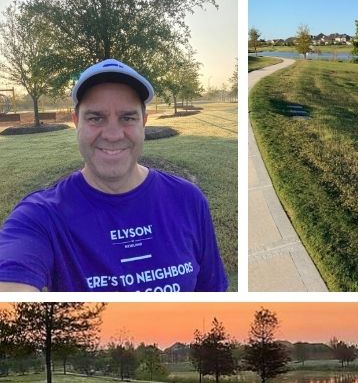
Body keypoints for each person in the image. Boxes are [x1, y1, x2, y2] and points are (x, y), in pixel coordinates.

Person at [0, 59, 228, 292]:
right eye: (96, 118)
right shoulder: (41, 216)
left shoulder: (188, 199)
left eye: (127, 118)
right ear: (76, 122)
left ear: (144, 122)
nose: (112, 134)